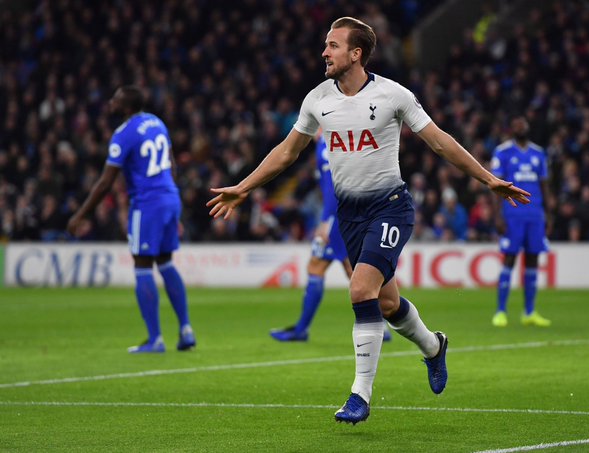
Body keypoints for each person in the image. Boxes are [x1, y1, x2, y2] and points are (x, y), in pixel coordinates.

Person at [207, 17, 530, 424]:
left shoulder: (393, 95)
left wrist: (488, 179)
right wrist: (245, 187)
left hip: (390, 207)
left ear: (356, 53)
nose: (324, 52)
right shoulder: (317, 99)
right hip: (350, 215)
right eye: (326, 45)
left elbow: (439, 141)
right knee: (388, 302)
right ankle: (433, 346)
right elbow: (287, 152)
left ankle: (360, 396)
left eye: (333, 45)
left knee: (360, 289)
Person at [67, 85, 196, 353]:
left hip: (147, 203)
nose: (111, 103)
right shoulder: (156, 122)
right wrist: (171, 208)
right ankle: (186, 330)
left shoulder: (122, 135)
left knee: (142, 264)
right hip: (169, 197)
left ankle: (155, 339)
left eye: (115, 100)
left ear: (125, 106)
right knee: (165, 262)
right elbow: (171, 163)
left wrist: (81, 214)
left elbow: (105, 182)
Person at [269, 135, 392, 342]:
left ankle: (301, 330)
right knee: (348, 269)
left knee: (331, 268)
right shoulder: (330, 139)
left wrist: (327, 220)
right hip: (345, 214)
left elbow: (335, 186)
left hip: (338, 217)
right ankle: (381, 325)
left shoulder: (327, 142)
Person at [490, 115, 551, 327]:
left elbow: (544, 185)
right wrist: (498, 215)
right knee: (509, 259)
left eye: (523, 124)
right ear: (511, 129)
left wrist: (548, 213)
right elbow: (495, 185)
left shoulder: (538, 153)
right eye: (516, 124)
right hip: (512, 215)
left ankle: (529, 312)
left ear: (528, 127)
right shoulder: (503, 152)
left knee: (533, 261)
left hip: (534, 215)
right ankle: (500, 311)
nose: (520, 127)